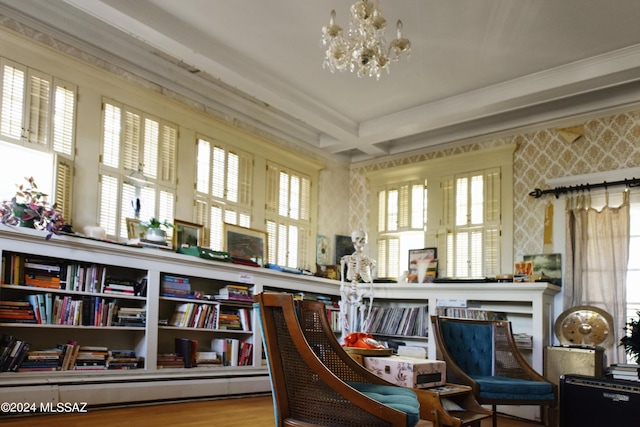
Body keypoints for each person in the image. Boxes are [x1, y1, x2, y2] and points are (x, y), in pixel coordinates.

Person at [339, 230, 376, 338]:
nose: (360, 241)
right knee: (345, 312)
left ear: (366, 241)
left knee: (364, 313)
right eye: (357, 239)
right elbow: (347, 277)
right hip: (349, 292)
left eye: (363, 239)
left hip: (361, 293)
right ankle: (346, 338)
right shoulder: (348, 259)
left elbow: (368, 279)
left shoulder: (368, 260)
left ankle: (362, 335)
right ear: (353, 241)